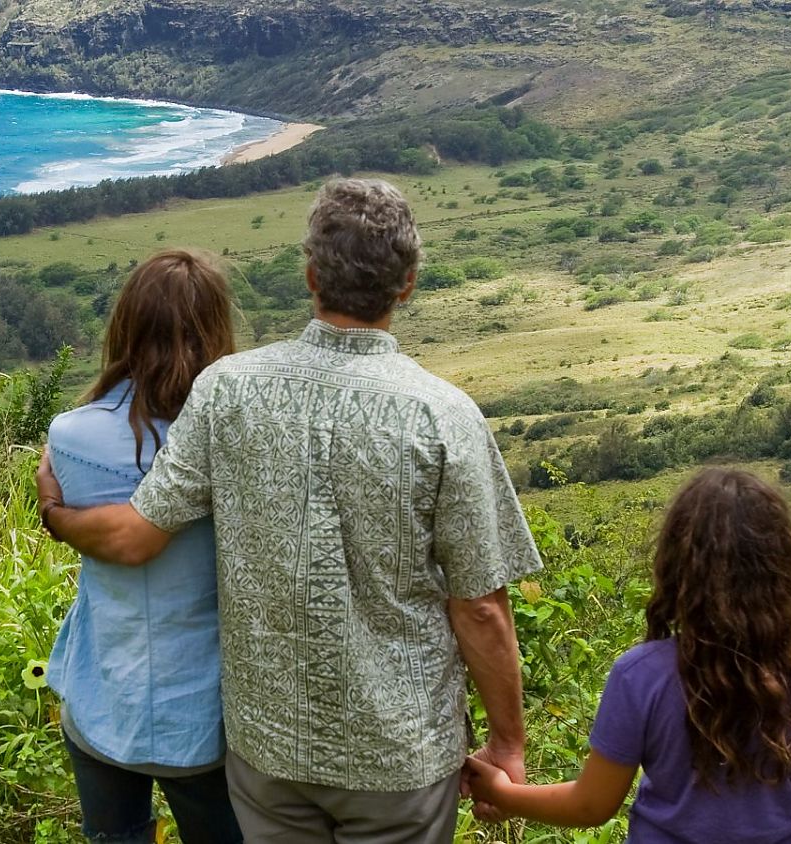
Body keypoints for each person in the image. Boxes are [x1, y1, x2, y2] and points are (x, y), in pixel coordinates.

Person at [36, 178, 541, 843]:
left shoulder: (228, 391)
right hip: (397, 753)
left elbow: (138, 532)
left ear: (309, 276)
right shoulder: (442, 415)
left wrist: (57, 512)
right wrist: (507, 745)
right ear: (408, 283)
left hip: (266, 745)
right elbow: (479, 605)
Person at [466, 468, 791, 843]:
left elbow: (591, 805)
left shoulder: (640, 675)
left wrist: (502, 792)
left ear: (677, 567)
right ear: (783, 564)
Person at [42, 249, 244, 844]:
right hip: (207, 710)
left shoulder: (70, 435)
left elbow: (118, 535)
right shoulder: (234, 435)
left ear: (125, 325)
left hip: (103, 687)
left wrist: (52, 512)